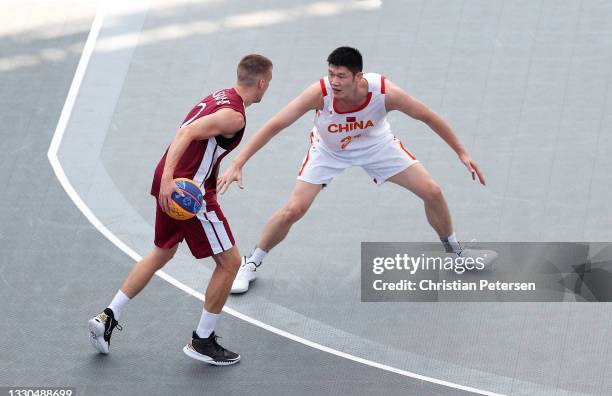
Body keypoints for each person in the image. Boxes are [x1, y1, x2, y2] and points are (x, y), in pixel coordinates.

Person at [216, 46, 493, 294]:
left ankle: (456, 252)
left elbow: (428, 116)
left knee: (432, 191)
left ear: (359, 77)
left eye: (342, 76)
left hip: (377, 147)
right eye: (331, 73)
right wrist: (239, 162)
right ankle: (251, 263)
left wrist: (462, 152)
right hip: (328, 152)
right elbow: (275, 125)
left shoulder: (384, 93)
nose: (334, 81)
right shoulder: (320, 93)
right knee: (294, 210)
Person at [88, 54, 273, 365]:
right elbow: (185, 134)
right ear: (262, 83)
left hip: (171, 181)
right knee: (230, 263)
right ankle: (202, 340)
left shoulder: (219, 96)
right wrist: (173, 180)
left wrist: (166, 178)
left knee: (162, 251)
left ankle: (108, 316)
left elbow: (191, 137)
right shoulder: (235, 116)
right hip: (187, 194)